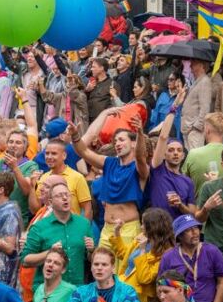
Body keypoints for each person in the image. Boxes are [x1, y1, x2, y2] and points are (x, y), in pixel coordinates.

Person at [69, 115, 148, 254]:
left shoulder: (139, 167)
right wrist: (75, 135)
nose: (117, 143)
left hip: (128, 229)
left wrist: (140, 133)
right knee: (101, 268)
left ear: (133, 143)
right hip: (106, 229)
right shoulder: (109, 163)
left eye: (122, 140)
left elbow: (140, 156)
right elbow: (84, 151)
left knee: (122, 274)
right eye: (115, 141)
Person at [107, 206, 174, 302]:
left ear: (153, 227)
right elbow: (124, 255)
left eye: (144, 224)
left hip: (138, 300)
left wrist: (143, 251)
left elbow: (144, 278)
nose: (141, 227)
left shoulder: (166, 253)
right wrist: (116, 232)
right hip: (121, 290)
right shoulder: (141, 239)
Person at [21, 180, 96, 288]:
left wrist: (91, 250)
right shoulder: (39, 227)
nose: (65, 198)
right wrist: (49, 253)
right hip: (48, 292)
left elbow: (90, 258)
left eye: (67, 195)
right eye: (60, 196)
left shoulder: (83, 224)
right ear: (50, 202)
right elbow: (25, 260)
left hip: (76, 290)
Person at [158, 214, 223, 302]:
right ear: (179, 236)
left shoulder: (212, 251)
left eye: (196, 228)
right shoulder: (169, 257)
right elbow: (160, 288)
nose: (195, 232)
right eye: (188, 230)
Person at [146, 90, 196, 217]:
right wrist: (174, 106)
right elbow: (163, 136)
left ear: (183, 156)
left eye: (179, 150)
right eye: (171, 150)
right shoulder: (157, 169)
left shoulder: (188, 182)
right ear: (164, 154)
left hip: (179, 231)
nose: (175, 153)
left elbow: (193, 213)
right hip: (158, 228)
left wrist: (181, 205)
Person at [181, 61, 215, 150]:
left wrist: (197, 127)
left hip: (194, 129)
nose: (191, 65)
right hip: (188, 127)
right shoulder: (197, 81)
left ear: (201, 65)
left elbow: (205, 108)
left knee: (194, 158)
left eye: (194, 63)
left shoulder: (205, 81)